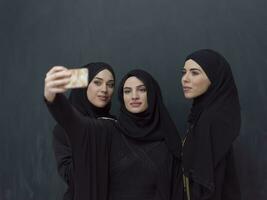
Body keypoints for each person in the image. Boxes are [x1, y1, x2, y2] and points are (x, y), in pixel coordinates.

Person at [44, 68, 181, 200]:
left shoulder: (169, 141)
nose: (134, 96)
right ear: (122, 97)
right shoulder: (108, 130)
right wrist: (53, 97)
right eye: (127, 91)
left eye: (142, 89)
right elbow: (73, 122)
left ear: (152, 94)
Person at [179, 49, 241, 200]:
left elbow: (208, 184)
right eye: (184, 72)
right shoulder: (201, 115)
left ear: (214, 78)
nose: (184, 79)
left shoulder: (212, 120)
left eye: (194, 73)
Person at [52, 62, 116, 200]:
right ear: (84, 86)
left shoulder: (116, 124)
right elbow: (70, 176)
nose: (104, 89)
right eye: (97, 83)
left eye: (110, 85)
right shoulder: (64, 128)